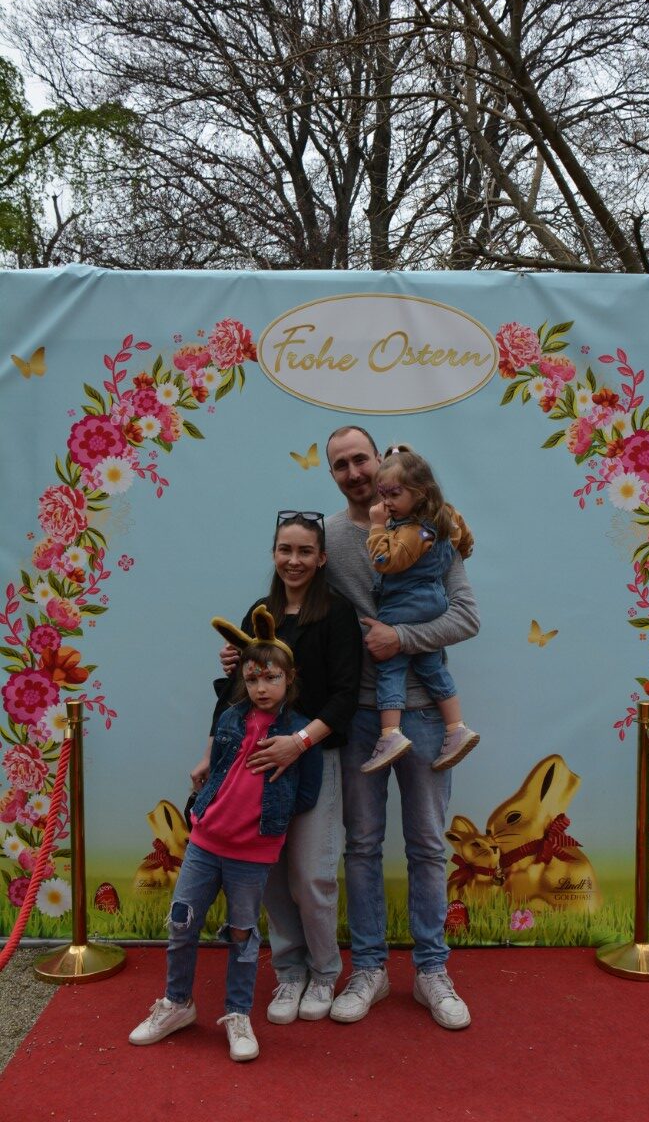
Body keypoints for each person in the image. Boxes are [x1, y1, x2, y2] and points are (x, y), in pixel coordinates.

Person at [323, 426, 480, 1031]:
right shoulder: (329, 537)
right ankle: (369, 968)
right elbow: (297, 607)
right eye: (341, 464)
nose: (354, 472)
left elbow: (466, 617)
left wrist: (402, 638)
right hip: (360, 716)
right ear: (333, 474)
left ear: (381, 461)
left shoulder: (436, 524)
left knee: (428, 845)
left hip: (425, 716)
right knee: (362, 845)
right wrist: (247, 653)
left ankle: (431, 970)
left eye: (360, 459)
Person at [129, 615, 323, 1062]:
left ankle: (238, 1014)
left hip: (251, 855)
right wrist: (207, 811)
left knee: (242, 934)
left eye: (271, 678)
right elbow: (217, 768)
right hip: (205, 843)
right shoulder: (232, 717)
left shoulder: (299, 733)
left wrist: (266, 824)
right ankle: (177, 1003)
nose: (261, 688)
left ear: (289, 678)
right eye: (252, 679)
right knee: (182, 922)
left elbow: (307, 794)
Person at [199, 510, 361, 1026]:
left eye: (305, 551)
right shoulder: (259, 612)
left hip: (312, 758)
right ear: (274, 554)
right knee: (266, 872)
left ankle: (325, 972)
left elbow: (345, 696)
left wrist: (298, 741)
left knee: (311, 876)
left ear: (322, 558)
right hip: (253, 762)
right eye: (285, 550)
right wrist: (211, 757)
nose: (294, 560)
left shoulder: (337, 613)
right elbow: (235, 691)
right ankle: (289, 971)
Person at [362, 444, 479, 774]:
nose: (386, 503)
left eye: (394, 494)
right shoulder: (445, 517)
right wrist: (459, 550)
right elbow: (465, 539)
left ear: (420, 492)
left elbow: (385, 560)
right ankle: (456, 727)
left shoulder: (414, 530)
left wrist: (376, 526)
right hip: (431, 603)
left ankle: (390, 734)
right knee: (431, 665)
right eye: (382, 494)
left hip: (404, 604)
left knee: (390, 668)